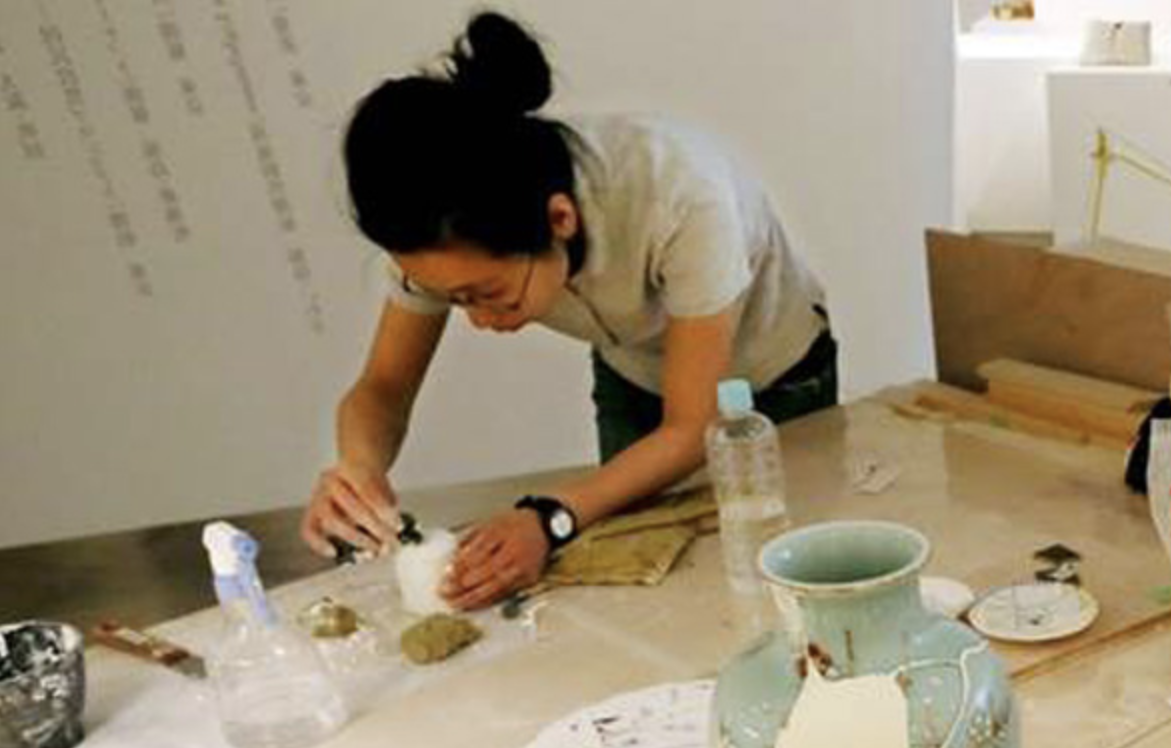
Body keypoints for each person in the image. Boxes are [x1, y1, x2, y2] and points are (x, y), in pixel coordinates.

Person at [302, 11, 835, 609]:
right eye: (452, 298)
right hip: (635, 372)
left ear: (559, 219)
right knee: (655, 586)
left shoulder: (680, 195)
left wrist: (547, 518)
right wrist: (358, 470)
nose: (477, 319)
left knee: (788, 574)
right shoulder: (450, 235)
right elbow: (382, 388)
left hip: (773, 377)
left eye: (487, 295)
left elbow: (691, 428)